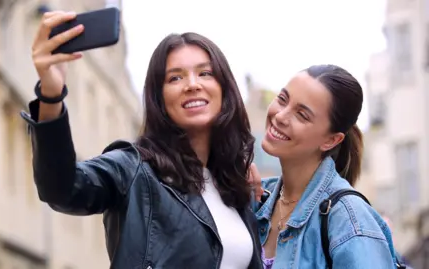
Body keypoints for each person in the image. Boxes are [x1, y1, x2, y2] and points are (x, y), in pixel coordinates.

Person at [22, 10, 263, 269]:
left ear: (224, 89)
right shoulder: (134, 168)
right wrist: (51, 94)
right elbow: (62, 189)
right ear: (158, 98)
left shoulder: (236, 186)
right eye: (175, 77)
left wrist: (238, 168)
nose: (192, 84)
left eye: (205, 73)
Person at [255, 65, 401, 268]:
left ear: (331, 140)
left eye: (302, 115)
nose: (280, 116)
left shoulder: (350, 220)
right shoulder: (257, 198)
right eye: (282, 99)